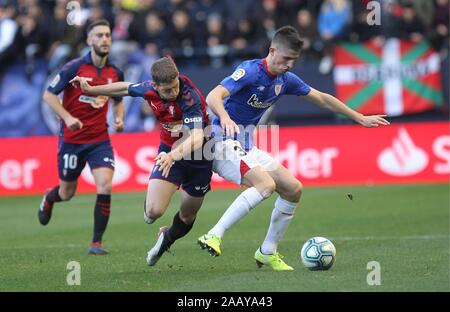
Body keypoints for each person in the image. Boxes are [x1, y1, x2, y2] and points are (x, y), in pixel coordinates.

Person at [198, 25, 389, 271]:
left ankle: (267, 251)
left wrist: (359, 117)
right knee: (265, 185)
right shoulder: (249, 71)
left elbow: (322, 98)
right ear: (273, 51)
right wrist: (224, 117)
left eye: (294, 61)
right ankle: (214, 234)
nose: (289, 65)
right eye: (286, 59)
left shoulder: (285, 80)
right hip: (221, 141)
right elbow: (213, 96)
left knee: (293, 189)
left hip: (245, 145)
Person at [70, 57, 212, 266]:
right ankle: (157, 197)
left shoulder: (188, 96)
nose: (173, 92)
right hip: (168, 153)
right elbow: (125, 88)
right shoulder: (149, 90)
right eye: (168, 90)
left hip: (199, 156)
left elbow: (197, 137)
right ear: (154, 86)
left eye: (175, 87)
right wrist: (92, 90)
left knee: (188, 216)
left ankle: (166, 238)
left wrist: (173, 155)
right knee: (152, 213)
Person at [38, 20, 124, 255]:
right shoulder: (73, 68)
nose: (105, 39)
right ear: (89, 40)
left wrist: (119, 118)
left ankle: (96, 243)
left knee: (105, 185)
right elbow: (48, 95)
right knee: (67, 193)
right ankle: (49, 197)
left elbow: (118, 99)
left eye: (107, 35)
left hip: (100, 140)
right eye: (99, 35)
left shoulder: (115, 72)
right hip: (72, 141)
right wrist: (67, 118)